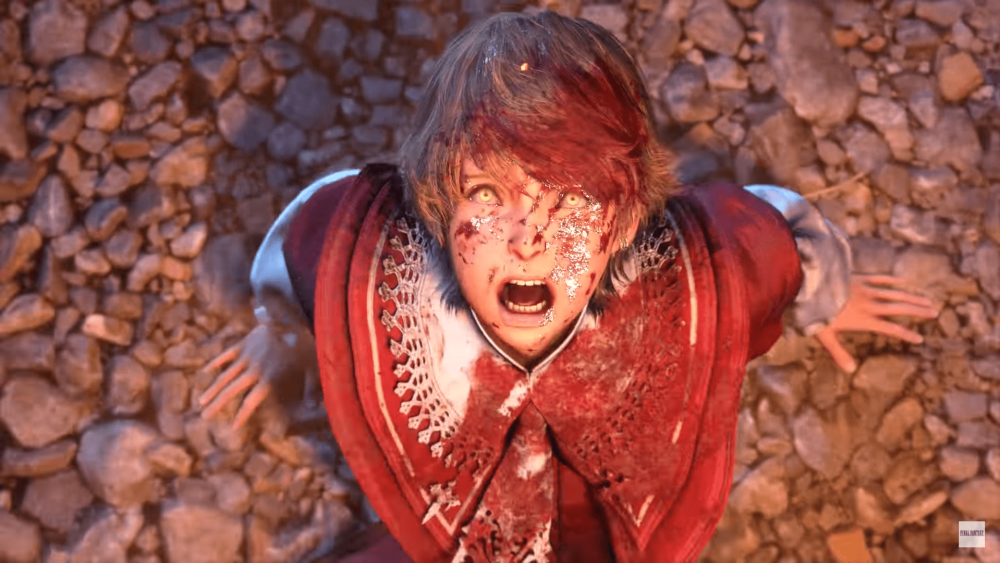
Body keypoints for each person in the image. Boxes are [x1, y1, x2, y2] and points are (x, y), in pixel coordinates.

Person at [199, 10, 938, 563]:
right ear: (436, 207)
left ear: (625, 219)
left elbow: (780, 235)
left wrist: (826, 296)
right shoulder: (376, 273)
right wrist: (279, 331)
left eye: (573, 201)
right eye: (487, 194)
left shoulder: (691, 281)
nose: (530, 237)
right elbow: (307, 240)